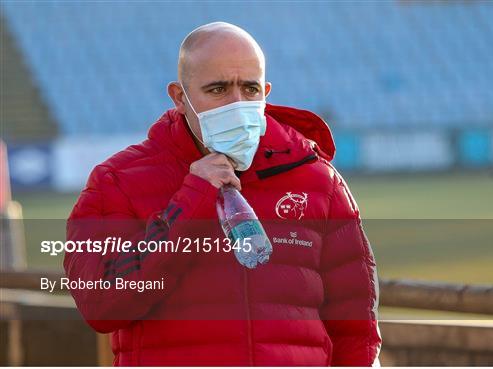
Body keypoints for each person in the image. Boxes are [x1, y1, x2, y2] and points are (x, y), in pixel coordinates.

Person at [64, 22, 382, 366]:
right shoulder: (116, 182)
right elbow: (101, 306)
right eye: (217, 89)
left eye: (249, 88)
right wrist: (192, 200)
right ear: (180, 97)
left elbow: (355, 330)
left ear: (266, 91)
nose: (237, 103)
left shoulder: (317, 180)